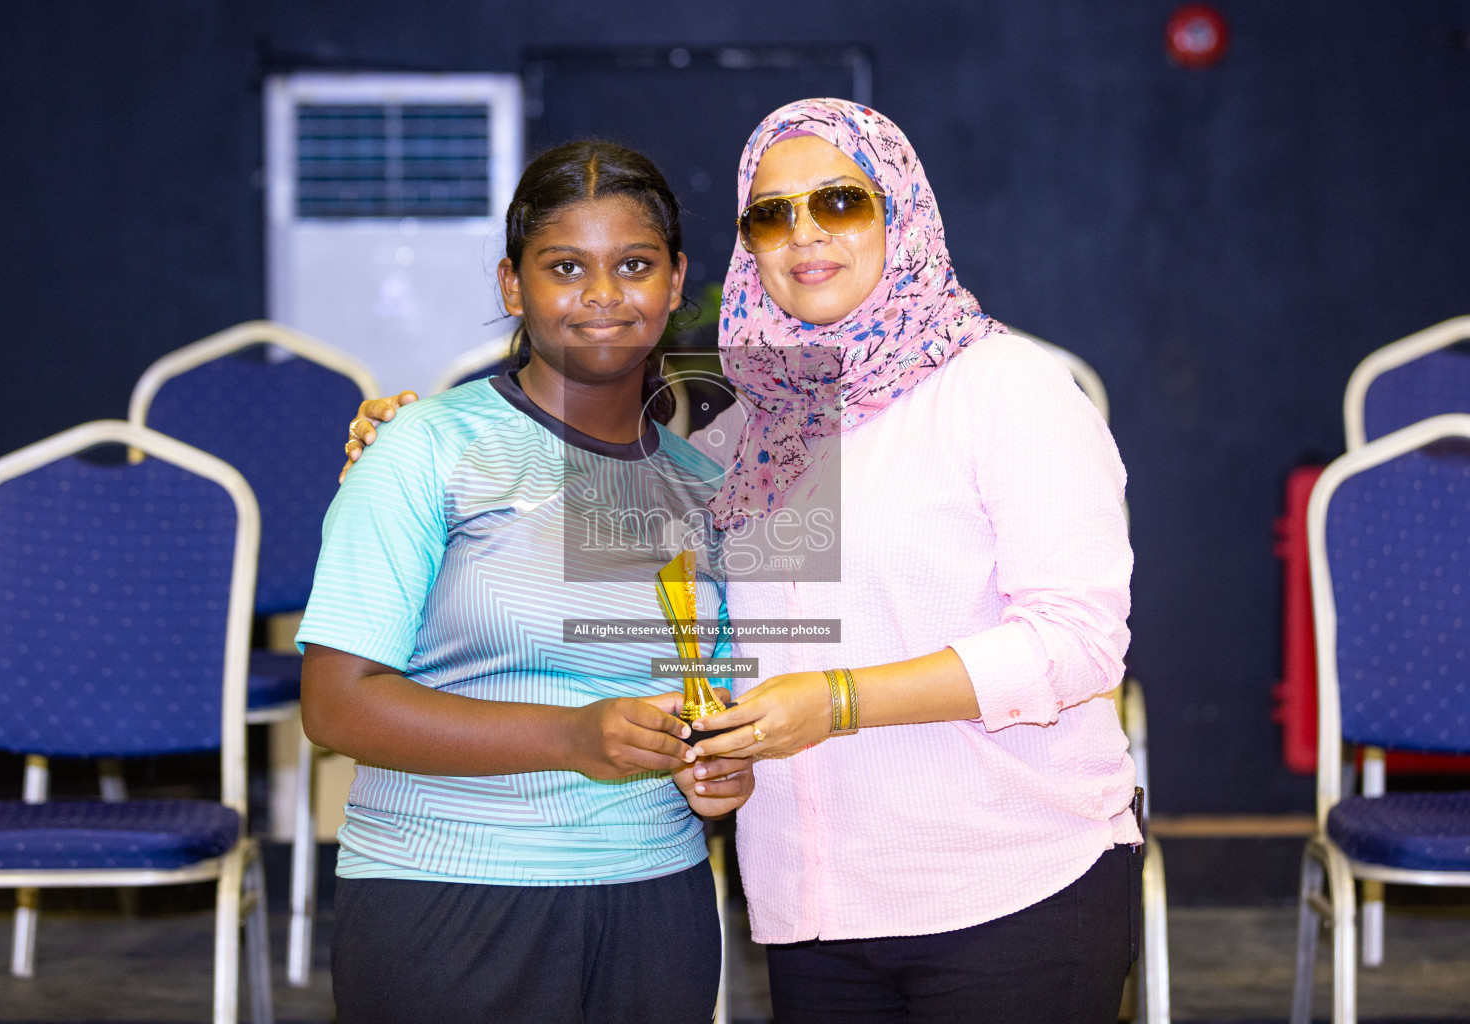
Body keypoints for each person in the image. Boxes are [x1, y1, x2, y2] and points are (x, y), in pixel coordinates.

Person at [348, 99, 1138, 1023]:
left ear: (902, 213)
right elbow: (674, 637)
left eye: (840, 204)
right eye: (771, 213)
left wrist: (839, 699)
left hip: (1004, 883)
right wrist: (412, 442)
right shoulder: (741, 435)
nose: (804, 235)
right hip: (813, 904)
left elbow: (1078, 644)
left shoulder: (1005, 390)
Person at [297, 140, 753, 1024]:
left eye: (634, 265)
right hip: (449, 899)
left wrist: (724, 771)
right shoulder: (426, 448)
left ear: (675, 280)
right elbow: (337, 705)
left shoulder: (709, 486)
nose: (603, 295)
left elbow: (720, 701)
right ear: (513, 286)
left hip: (656, 899)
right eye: (564, 267)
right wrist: (574, 736)